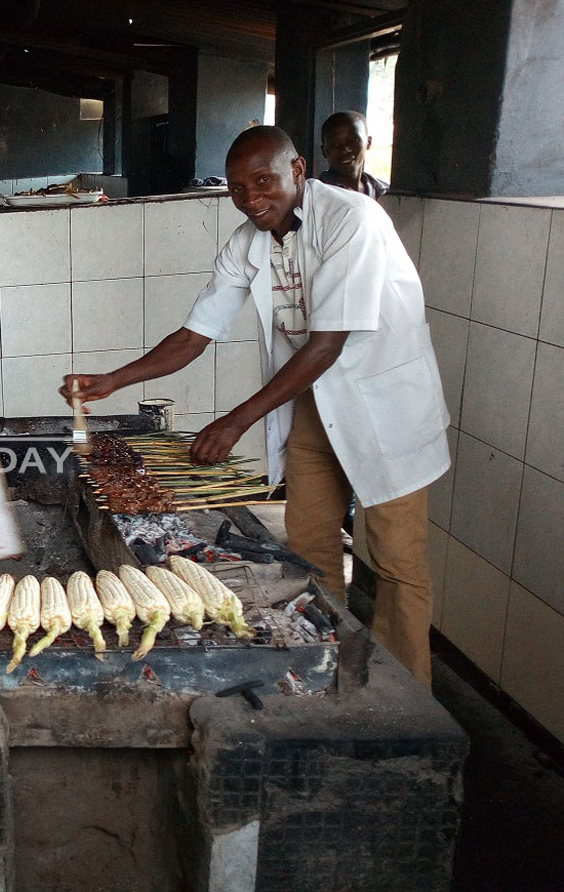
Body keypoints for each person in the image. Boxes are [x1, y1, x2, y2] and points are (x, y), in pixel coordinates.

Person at [63, 125, 448, 687]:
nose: (251, 199)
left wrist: (239, 419)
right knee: (313, 546)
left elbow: (326, 344)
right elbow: (195, 334)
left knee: (397, 563)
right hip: (314, 405)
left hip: (384, 408)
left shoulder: (352, 221)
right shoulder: (249, 241)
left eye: (262, 181)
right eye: (238, 189)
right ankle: (327, 670)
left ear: (297, 171)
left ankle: (403, 694)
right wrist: (113, 380)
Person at [318, 110, 388, 199]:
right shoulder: (315, 196)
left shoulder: (384, 192)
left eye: (352, 141)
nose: (345, 149)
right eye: (335, 145)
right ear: (324, 151)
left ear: (368, 142)